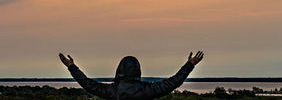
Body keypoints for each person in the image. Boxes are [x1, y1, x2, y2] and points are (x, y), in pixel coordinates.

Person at [59, 51, 204, 100]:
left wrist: (71, 66)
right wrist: (189, 65)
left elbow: (87, 84)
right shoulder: (149, 90)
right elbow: (174, 82)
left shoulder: (112, 91)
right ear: (138, 70)